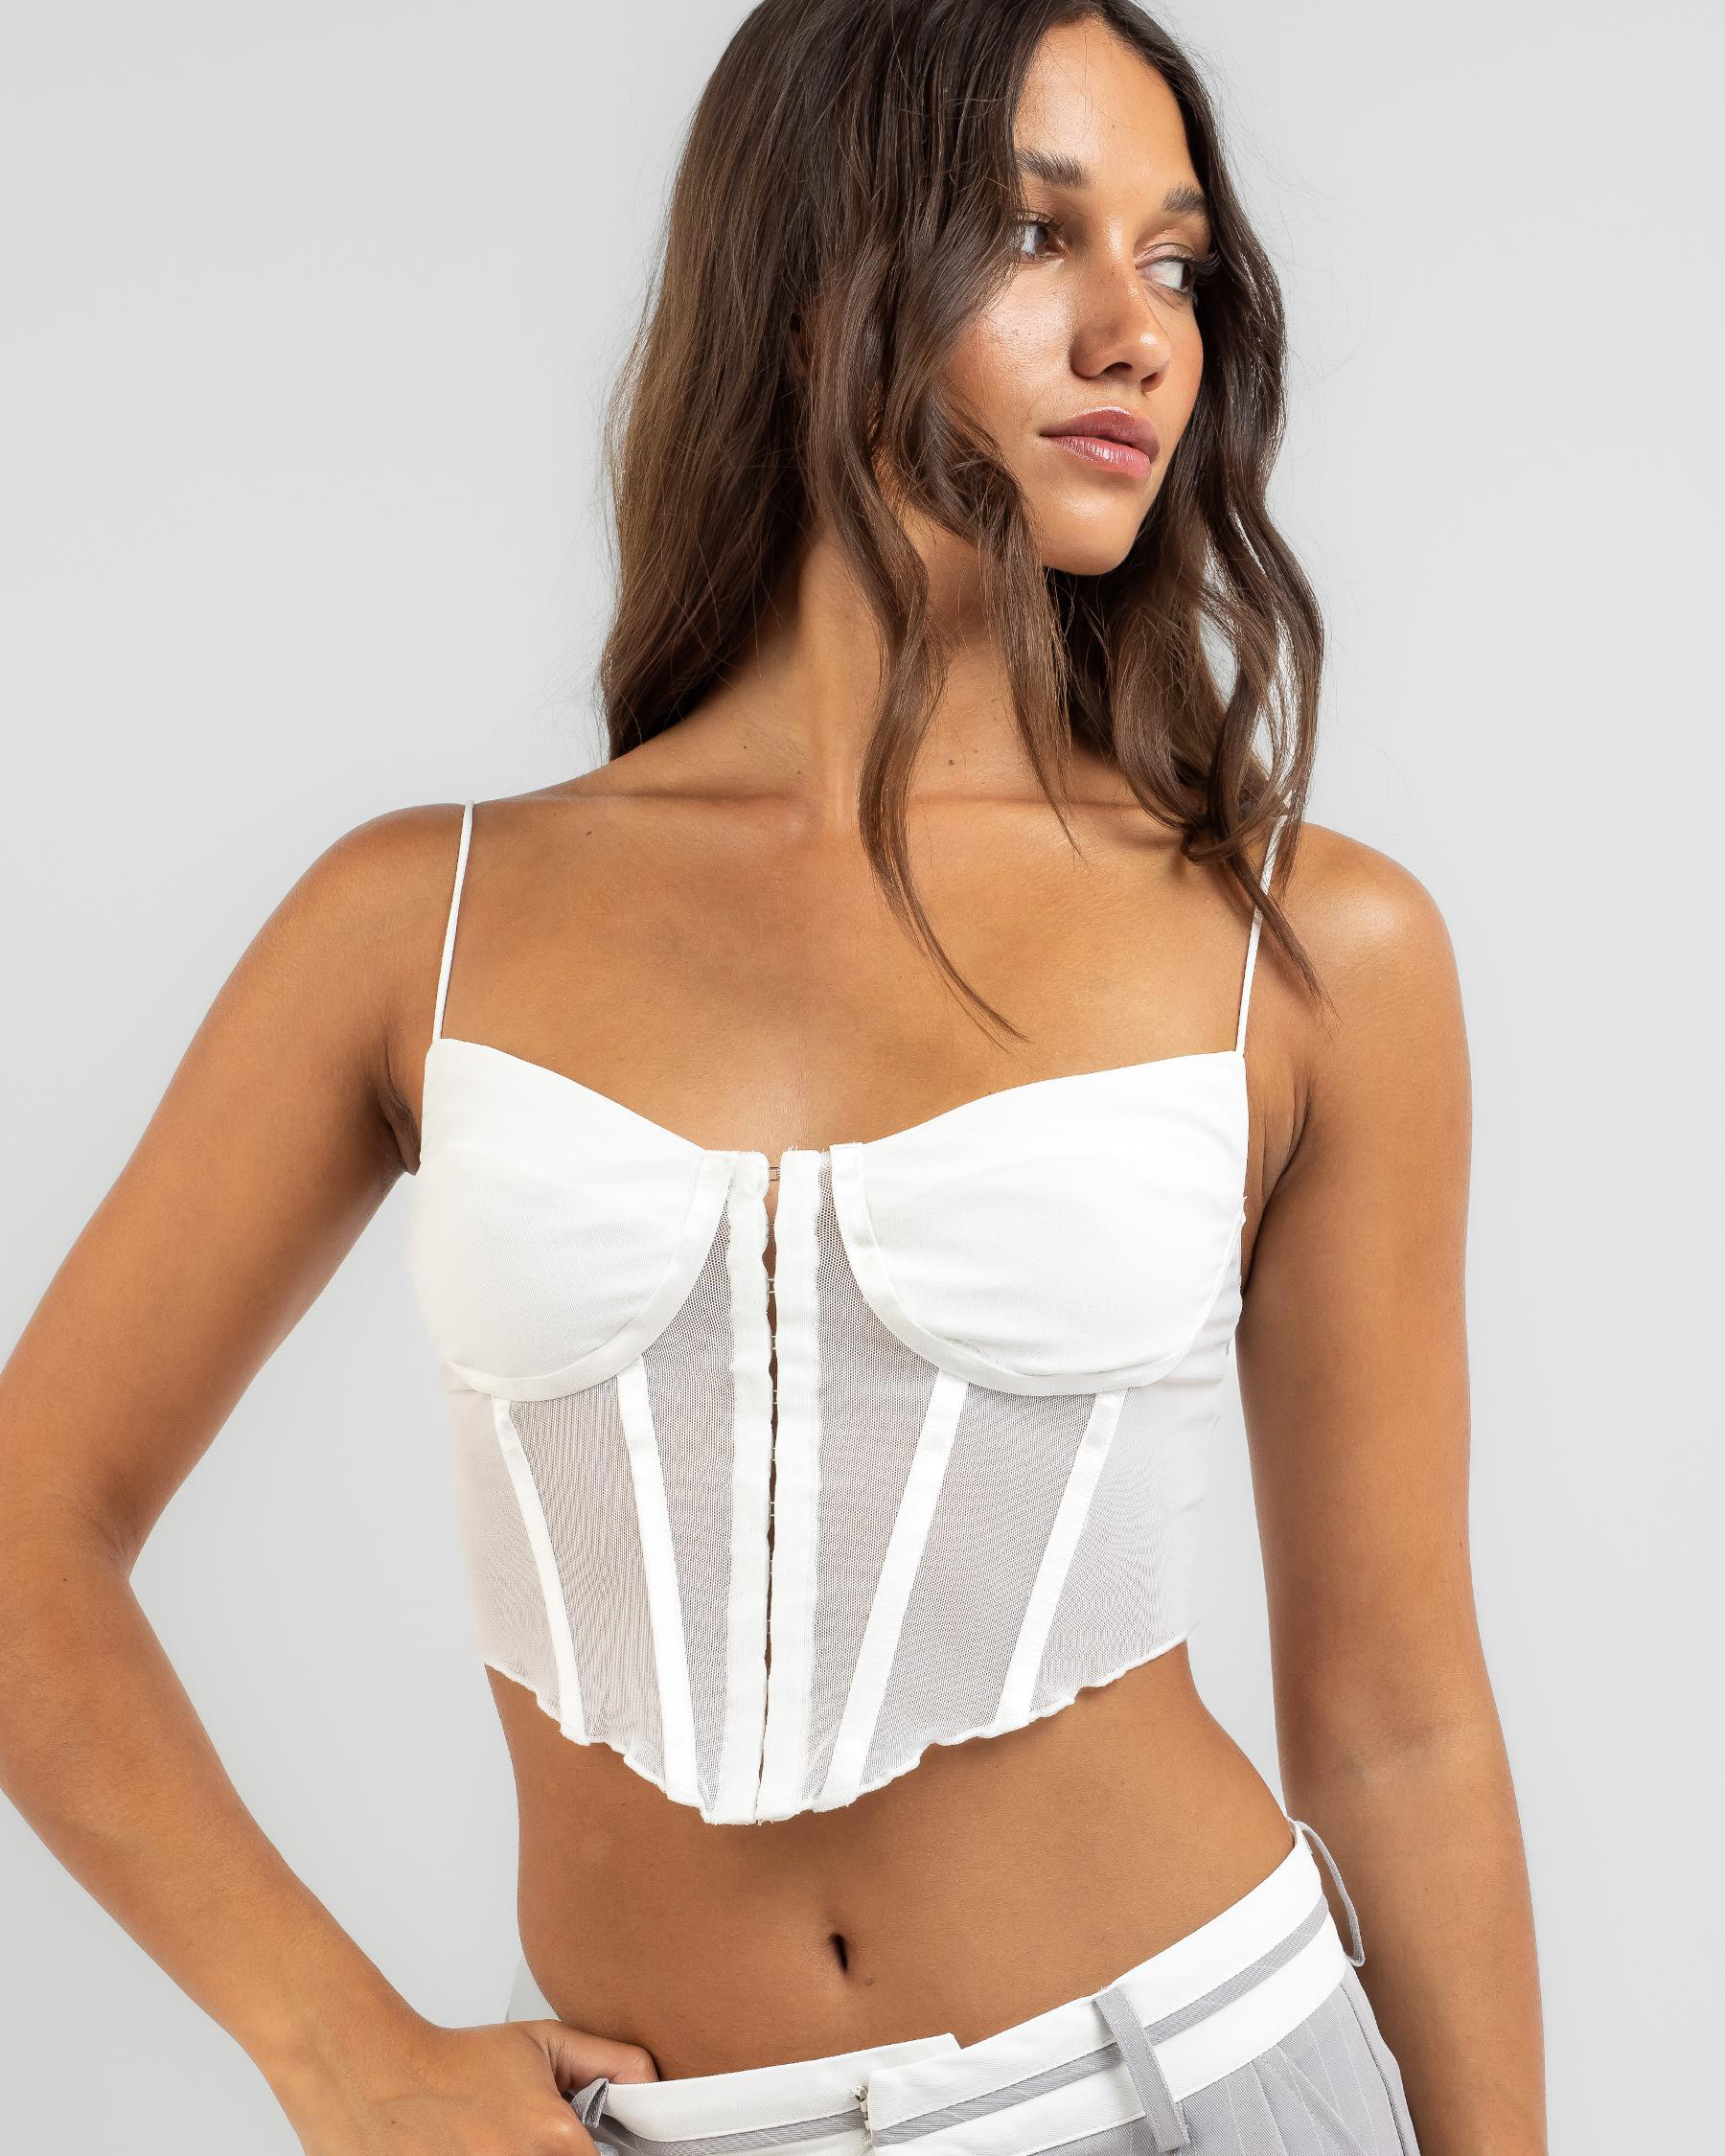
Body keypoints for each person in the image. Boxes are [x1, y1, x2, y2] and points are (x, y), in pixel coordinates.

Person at [0, 4, 1546, 2152]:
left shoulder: (1307, 943)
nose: (1138, 335)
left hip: (1202, 2079)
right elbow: (28, 1526)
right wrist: (334, 2048)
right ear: (815, 273)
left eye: (1178, 262)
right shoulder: (420, 919)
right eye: (1038, 234)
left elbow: (1395, 1722)